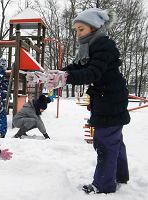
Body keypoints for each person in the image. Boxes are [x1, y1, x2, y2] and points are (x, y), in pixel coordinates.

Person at [47, 8, 130, 194]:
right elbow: (77, 66)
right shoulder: (90, 46)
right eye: (76, 29)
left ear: (94, 27)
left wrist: (65, 78)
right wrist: (58, 73)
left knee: (104, 141)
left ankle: (103, 184)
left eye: (81, 29)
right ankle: (120, 175)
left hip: (110, 99)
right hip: (107, 98)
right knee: (114, 140)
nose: (77, 33)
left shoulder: (103, 46)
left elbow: (92, 73)